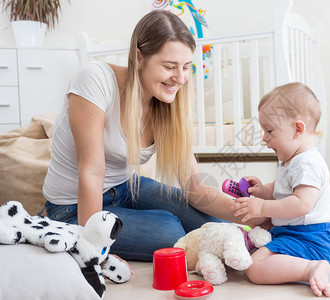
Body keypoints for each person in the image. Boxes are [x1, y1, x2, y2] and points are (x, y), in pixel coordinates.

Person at [41, 10, 263, 263]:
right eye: (169, 67)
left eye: (186, 67)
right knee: (170, 230)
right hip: (72, 208)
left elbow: (197, 190)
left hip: (124, 188)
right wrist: (94, 249)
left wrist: (261, 215)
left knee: (212, 221)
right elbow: (91, 171)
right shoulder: (95, 80)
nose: (179, 78)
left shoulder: (166, 106)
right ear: (139, 57)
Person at [231, 82, 330, 297]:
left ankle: (310, 268)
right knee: (253, 248)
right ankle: (317, 257)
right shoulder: (293, 160)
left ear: (297, 129)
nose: (264, 138)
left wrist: (262, 206)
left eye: (269, 130)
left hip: (307, 238)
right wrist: (262, 191)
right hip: (296, 234)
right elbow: (283, 192)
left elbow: (302, 204)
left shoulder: (306, 163)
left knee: (254, 267)